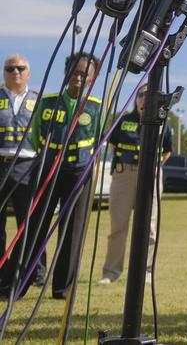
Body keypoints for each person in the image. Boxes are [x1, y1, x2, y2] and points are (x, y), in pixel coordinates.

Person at [2, 52, 102, 300]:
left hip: (79, 173)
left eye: (84, 74)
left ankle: (62, 289)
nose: (78, 77)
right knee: (34, 227)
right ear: (67, 72)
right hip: (48, 169)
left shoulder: (97, 106)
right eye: (74, 72)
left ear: (92, 77)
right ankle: (16, 285)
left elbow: (99, 141)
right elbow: (36, 137)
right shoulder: (47, 102)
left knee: (72, 230)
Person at [99, 83, 172, 284]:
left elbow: (167, 151)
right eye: (141, 94)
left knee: (150, 225)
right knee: (118, 226)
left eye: (149, 95)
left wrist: (152, 166)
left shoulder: (163, 123)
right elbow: (112, 145)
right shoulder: (123, 121)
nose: (144, 98)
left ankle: (147, 270)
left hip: (150, 175)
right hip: (124, 175)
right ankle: (111, 272)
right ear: (135, 98)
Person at [0, 55, 41, 283]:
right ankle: (2, 272)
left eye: (20, 68)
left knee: (29, 221)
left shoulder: (39, 99)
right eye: (10, 68)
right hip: (1, 164)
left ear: (28, 73)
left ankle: (33, 272)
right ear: (4, 72)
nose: (15, 71)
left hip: (28, 166)